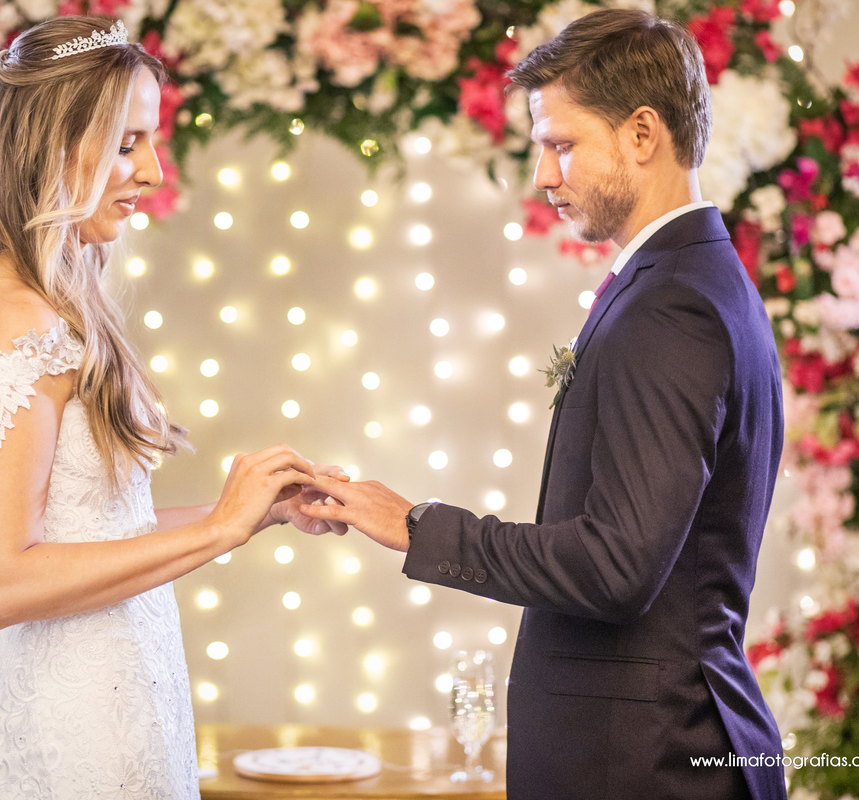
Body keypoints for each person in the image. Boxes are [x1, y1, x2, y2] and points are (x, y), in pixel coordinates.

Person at [0, 16, 343, 800]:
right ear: (52, 147)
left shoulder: (53, 297)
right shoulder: (9, 315)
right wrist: (215, 529)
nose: (153, 172)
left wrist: (253, 513)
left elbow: (83, 532)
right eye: (128, 142)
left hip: (123, 709)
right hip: (65, 747)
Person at [301, 9, 787, 800]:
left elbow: (617, 567)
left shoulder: (671, 306)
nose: (543, 176)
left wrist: (418, 526)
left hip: (642, 762)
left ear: (641, 134)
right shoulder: (696, 279)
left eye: (562, 145)